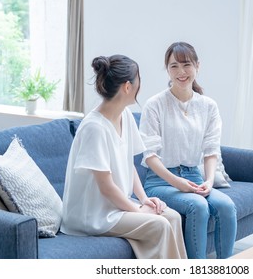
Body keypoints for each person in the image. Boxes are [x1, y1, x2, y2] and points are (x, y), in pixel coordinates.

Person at [61, 54, 187, 259]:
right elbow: (106, 186)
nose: (140, 85)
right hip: (92, 215)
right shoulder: (95, 127)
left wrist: (145, 200)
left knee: (172, 217)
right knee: (161, 224)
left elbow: (129, 165)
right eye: (138, 80)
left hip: (115, 207)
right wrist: (138, 210)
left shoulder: (124, 115)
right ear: (127, 87)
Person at [139, 42, 237, 259]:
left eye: (186, 65)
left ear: (197, 66)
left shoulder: (208, 106)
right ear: (167, 69)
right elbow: (150, 155)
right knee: (198, 207)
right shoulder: (154, 104)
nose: (181, 72)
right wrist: (177, 182)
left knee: (226, 206)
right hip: (160, 181)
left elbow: (211, 150)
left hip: (194, 175)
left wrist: (209, 181)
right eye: (174, 66)